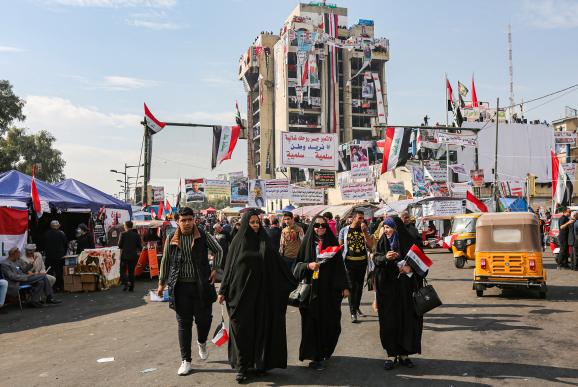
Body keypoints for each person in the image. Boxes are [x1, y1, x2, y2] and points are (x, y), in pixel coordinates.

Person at [217, 209, 297, 383]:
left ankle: (260, 364)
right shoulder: (238, 242)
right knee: (241, 330)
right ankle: (242, 366)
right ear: (246, 223)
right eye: (252, 222)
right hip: (240, 295)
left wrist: (294, 279)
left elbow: (278, 265)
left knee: (261, 328)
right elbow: (229, 267)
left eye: (257, 222)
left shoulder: (265, 242)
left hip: (262, 295)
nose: (254, 225)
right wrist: (222, 291)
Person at [156, 207, 223, 376]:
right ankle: (186, 360)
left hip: (202, 285)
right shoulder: (172, 237)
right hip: (180, 287)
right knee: (183, 324)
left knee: (204, 320)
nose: (186, 223)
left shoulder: (202, 235)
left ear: (194, 220)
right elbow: (165, 260)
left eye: (189, 220)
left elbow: (219, 250)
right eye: (183, 220)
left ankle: (201, 342)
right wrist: (161, 283)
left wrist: (215, 268)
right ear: (178, 221)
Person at [294, 215, 350, 370]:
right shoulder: (306, 244)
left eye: (323, 226)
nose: (320, 228)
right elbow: (296, 267)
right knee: (312, 324)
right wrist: (308, 266)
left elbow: (339, 267)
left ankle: (325, 351)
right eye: (317, 225)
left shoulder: (332, 242)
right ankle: (315, 356)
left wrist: (345, 287)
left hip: (329, 292)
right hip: (311, 292)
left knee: (331, 324)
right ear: (312, 227)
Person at [374, 217, 424, 370]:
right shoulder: (382, 242)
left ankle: (404, 355)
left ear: (397, 228)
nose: (387, 231)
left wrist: (410, 268)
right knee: (389, 322)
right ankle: (391, 355)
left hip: (406, 291)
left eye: (390, 227)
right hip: (387, 292)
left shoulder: (409, 242)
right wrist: (385, 258)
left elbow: (423, 264)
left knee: (406, 321)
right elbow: (376, 258)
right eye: (385, 227)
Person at [339, 210, 374, 323]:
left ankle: (357, 307)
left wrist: (365, 232)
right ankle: (353, 312)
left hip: (362, 262)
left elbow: (370, 246)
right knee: (351, 287)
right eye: (359, 218)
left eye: (362, 218)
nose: (361, 220)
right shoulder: (344, 230)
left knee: (359, 288)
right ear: (353, 218)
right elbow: (340, 246)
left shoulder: (364, 230)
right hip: (349, 263)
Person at [42, 220, 68, 291]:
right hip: (59, 256)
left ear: (51, 226)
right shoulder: (61, 233)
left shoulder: (46, 234)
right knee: (59, 272)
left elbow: (43, 245)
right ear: (57, 226)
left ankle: (51, 287)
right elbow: (66, 244)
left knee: (50, 272)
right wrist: (64, 253)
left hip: (49, 256)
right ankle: (60, 286)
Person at [118, 220, 142, 292]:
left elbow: (120, 245)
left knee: (123, 271)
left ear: (126, 226)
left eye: (124, 225)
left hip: (124, 256)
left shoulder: (123, 234)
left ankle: (126, 283)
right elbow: (140, 247)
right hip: (133, 256)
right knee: (131, 272)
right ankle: (131, 287)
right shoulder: (136, 235)